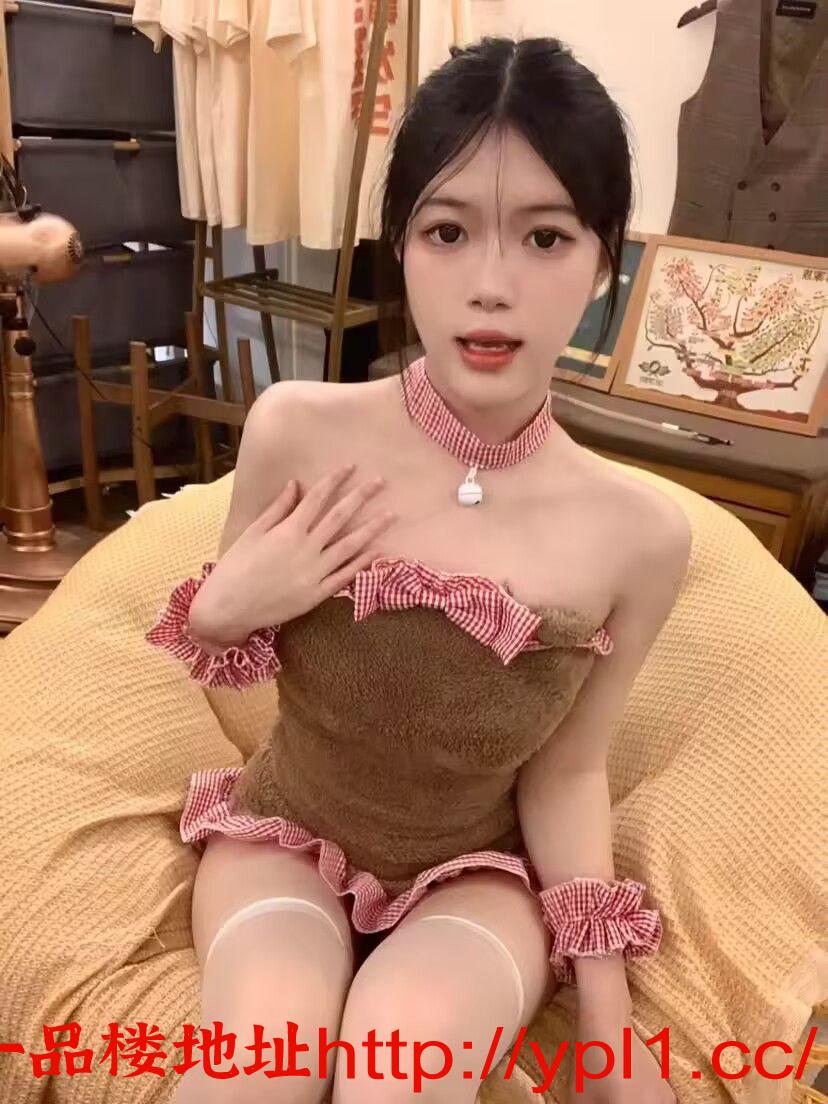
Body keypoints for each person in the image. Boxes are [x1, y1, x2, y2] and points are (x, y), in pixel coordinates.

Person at [149, 35, 690, 1104]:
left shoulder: (641, 534)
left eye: (546, 237)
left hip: (474, 878)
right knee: (259, 1068)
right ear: (400, 245)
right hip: (286, 834)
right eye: (448, 231)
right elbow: (223, 647)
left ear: (604, 263)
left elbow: (569, 771)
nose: (490, 287)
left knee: (396, 1079)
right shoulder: (298, 430)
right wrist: (220, 612)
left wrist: (609, 1023)